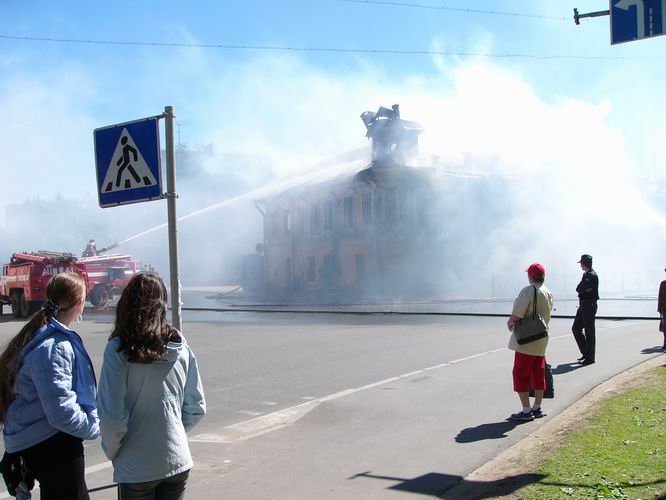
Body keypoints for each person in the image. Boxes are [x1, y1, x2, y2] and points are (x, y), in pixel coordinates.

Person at [97, 272, 206, 500]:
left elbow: (111, 417)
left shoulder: (119, 349)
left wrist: (115, 451)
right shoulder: (180, 346)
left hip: (136, 467)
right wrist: (169, 433)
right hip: (177, 459)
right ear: (162, 305)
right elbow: (196, 407)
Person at [0, 272, 99, 500]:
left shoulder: (40, 334)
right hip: (54, 446)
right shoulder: (55, 347)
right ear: (80, 303)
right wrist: (93, 426)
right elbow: (61, 413)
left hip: (39, 441)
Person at [506, 263, 554, 422]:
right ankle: (537, 407)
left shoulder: (529, 290)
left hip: (527, 338)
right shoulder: (548, 292)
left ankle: (526, 410)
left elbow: (518, 312)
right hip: (541, 337)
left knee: (520, 373)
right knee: (538, 372)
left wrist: (511, 321)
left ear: (531, 276)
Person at [572, 254, 599, 365]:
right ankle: (586, 353)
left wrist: (582, 289)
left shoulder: (591, 275)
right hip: (583, 305)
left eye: (581, 264)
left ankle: (590, 358)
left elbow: (580, 288)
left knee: (589, 332)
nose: (580, 266)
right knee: (576, 328)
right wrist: (582, 289)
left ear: (584, 264)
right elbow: (579, 289)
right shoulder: (586, 275)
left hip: (589, 305)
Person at [658, 267, 666, 351]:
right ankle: (665, 343)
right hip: (664, 309)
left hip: (664, 309)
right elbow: (660, 296)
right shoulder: (663, 284)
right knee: (665, 327)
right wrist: (659, 309)